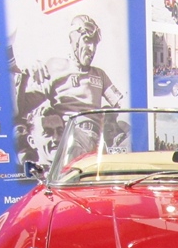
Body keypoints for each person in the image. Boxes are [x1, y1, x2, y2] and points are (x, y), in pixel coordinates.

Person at [14, 15, 124, 158]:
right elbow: (21, 109)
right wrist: (24, 76)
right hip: (71, 136)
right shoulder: (55, 67)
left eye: (95, 44)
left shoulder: (99, 74)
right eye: (87, 41)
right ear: (74, 40)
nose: (92, 49)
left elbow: (122, 104)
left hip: (96, 140)